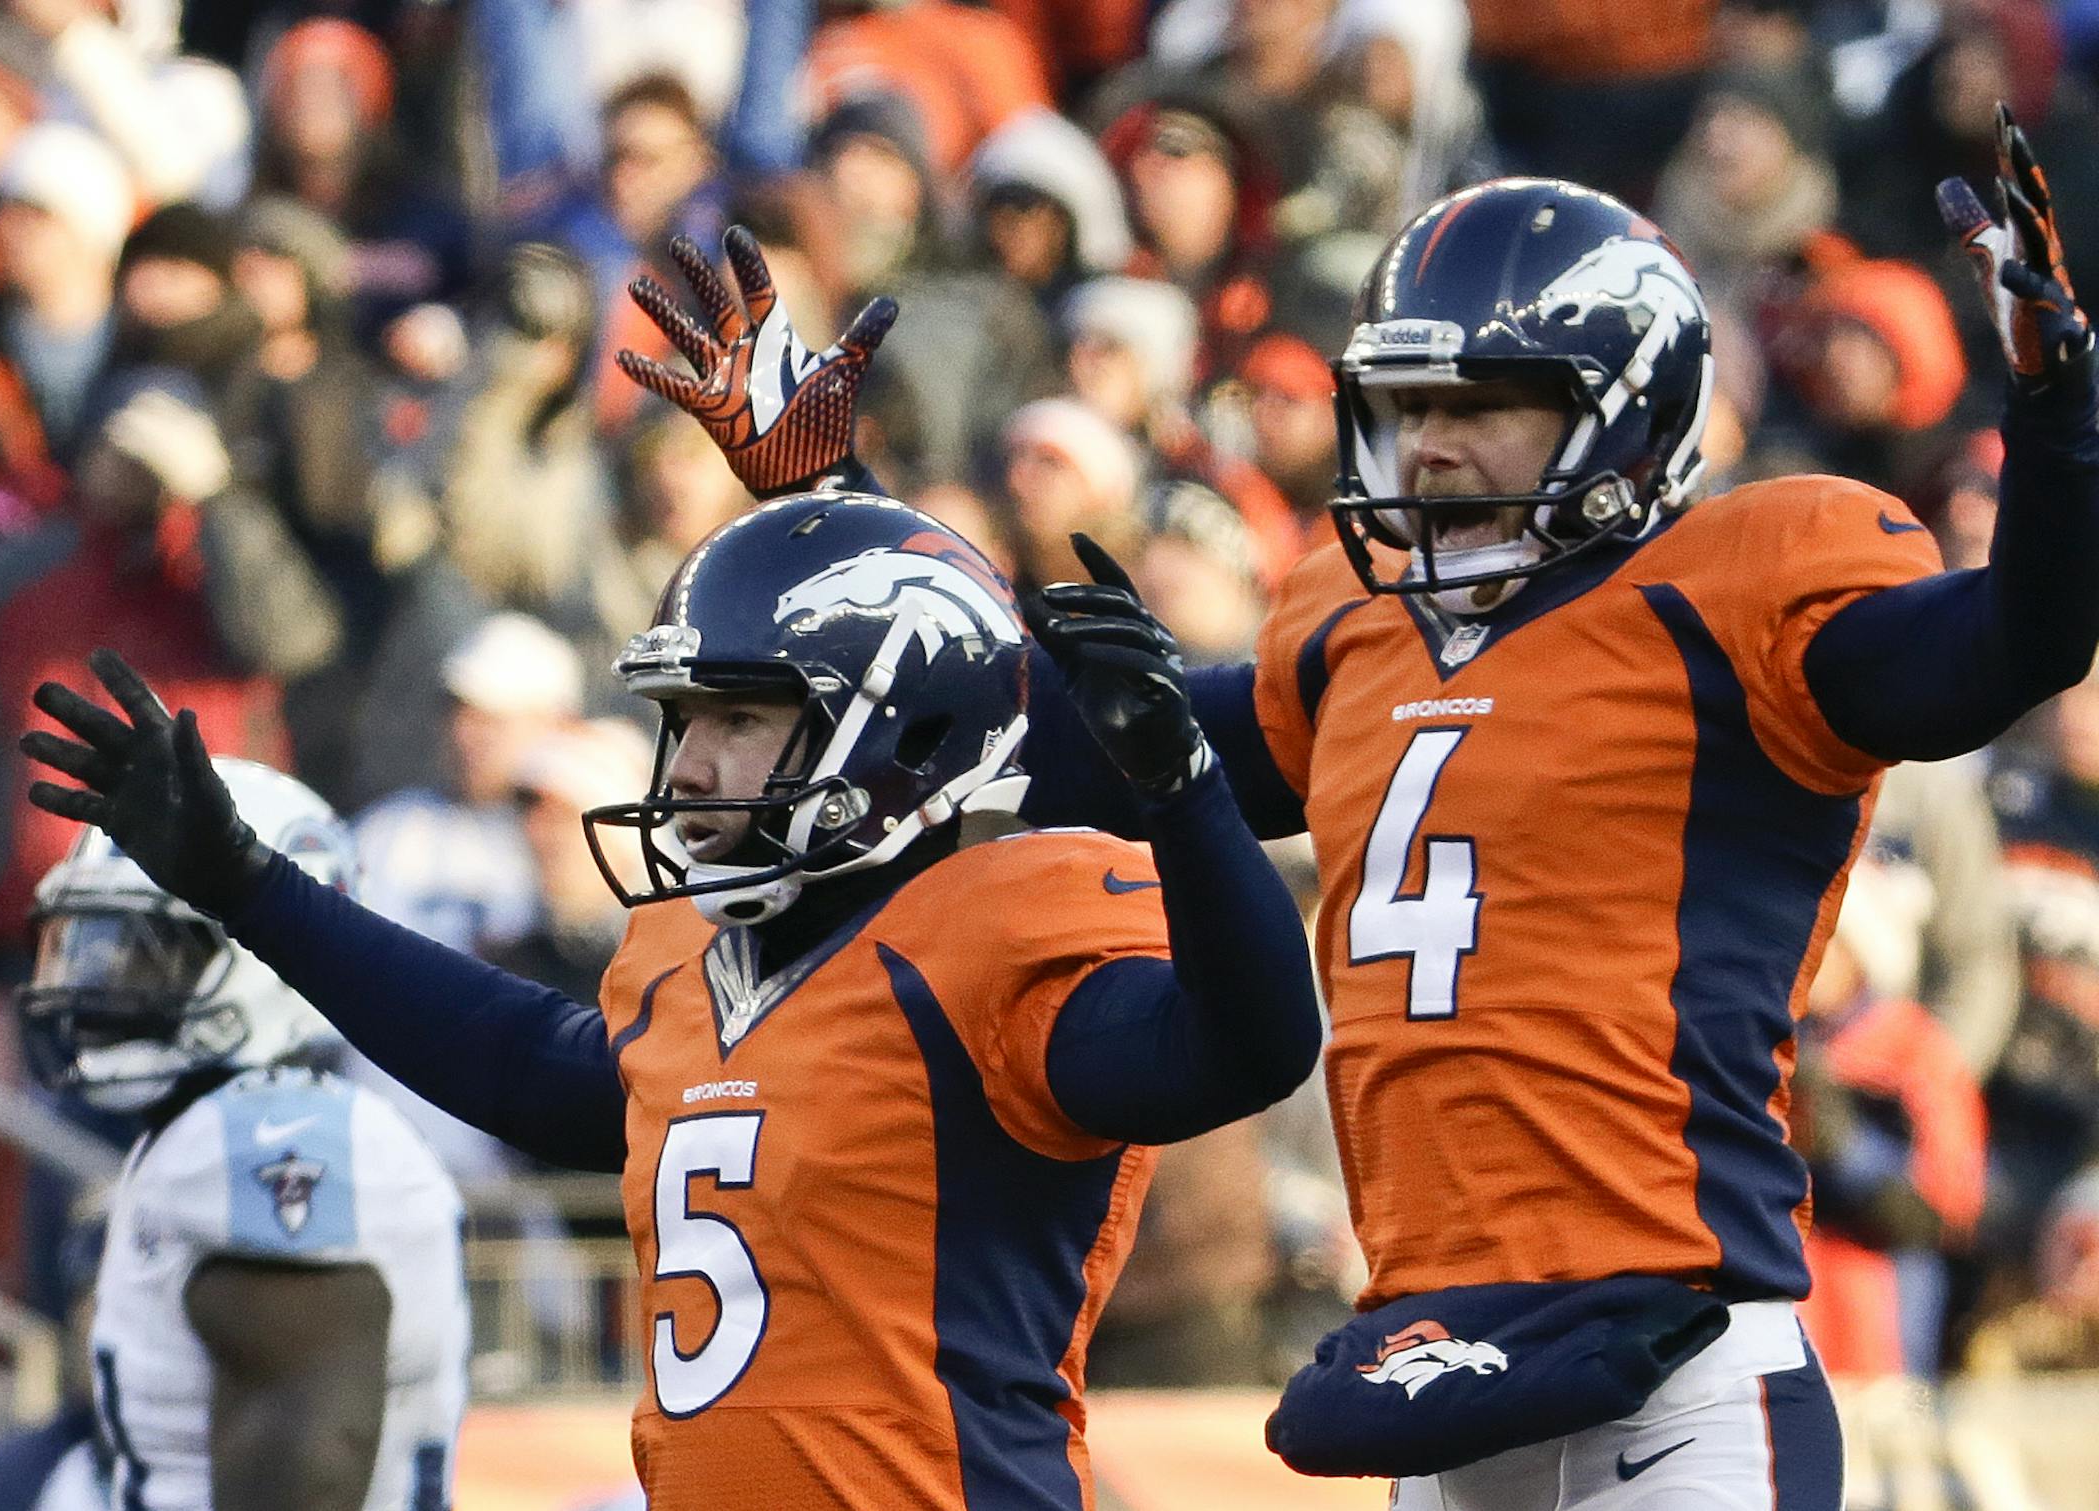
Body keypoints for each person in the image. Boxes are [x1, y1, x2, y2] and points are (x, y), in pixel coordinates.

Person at [629, 108, 2099, 1504]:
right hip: (1444, 1366)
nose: (1435, 450)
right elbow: (1062, 737)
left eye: (1487, 409)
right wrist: (841, 494)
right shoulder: (1354, 629)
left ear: (1629, 406)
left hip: (1677, 1362)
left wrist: (2054, 428)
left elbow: (2006, 648)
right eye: (1407, 410)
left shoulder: (1747, 582)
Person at [17, 478, 1324, 1499]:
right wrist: (251, 888)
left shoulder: (1002, 927)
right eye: (683, 718)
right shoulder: (695, 966)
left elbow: (1250, 1045)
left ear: (904, 733)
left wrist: (1184, 793)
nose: (690, 766)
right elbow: (523, 1060)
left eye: (737, 718)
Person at [13, 759, 469, 1511]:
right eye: (93, 943)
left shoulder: (270, 1137)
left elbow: (308, 1475)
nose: (99, 984)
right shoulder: (219, 1127)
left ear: (268, 957)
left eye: (144, 949)